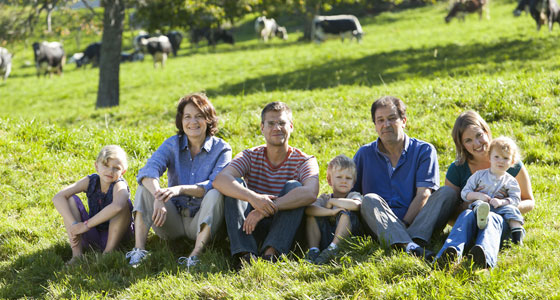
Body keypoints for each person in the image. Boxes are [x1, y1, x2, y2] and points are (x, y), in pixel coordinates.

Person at [125, 93, 232, 268]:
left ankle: (194, 256)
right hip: (171, 218)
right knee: (145, 188)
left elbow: (214, 183)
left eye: (199, 116)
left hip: (202, 220)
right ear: (181, 121)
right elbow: (148, 170)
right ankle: (139, 250)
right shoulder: (172, 144)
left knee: (216, 193)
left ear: (209, 120)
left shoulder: (222, 149)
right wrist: (158, 197)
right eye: (187, 117)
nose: (193, 122)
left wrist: (179, 189)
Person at [213, 101, 319, 268]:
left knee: (295, 187)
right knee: (236, 185)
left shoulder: (305, 160)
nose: (277, 128)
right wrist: (254, 198)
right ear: (262, 128)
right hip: (250, 225)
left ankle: (271, 253)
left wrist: (267, 208)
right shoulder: (250, 155)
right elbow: (220, 180)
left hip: (286, 227)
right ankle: (245, 255)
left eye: (282, 123)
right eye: (271, 123)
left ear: (290, 126)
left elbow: (311, 193)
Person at [355, 96, 458, 261]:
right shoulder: (363, 154)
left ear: (404, 121)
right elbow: (352, 194)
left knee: (447, 193)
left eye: (391, 118)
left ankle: (405, 243)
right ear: (375, 125)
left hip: (417, 224)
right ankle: (413, 246)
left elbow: (424, 194)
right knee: (369, 199)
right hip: (380, 224)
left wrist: (403, 225)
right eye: (380, 120)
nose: (386, 124)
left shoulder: (424, 150)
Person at [435, 110, 535, 268]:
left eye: (479, 135)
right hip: (470, 220)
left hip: (501, 221)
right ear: (462, 145)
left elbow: (529, 201)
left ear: (486, 131)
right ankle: (449, 253)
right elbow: (450, 212)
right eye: (468, 140)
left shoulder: (508, 162)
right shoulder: (458, 169)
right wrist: (473, 204)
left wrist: (503, 205)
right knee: (467, 215)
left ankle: (484, 257)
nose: (476, 143)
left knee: (493, 219)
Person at [52, 145, 133, 264]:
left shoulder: (119, 185)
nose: (110, 171)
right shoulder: (92, 181)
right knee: (69, 199)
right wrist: (75, 225)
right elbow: (58, 197)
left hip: (115, 236)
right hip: (92, 234)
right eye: (106, 165)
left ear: (123, 172)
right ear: (96, 166)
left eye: (116, 168)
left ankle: (108, 253)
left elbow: (117, 206)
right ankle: (77, 255)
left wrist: (86, 225)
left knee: (122, 205)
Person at [462, 137, 524, 244]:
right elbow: (464, 193)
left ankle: (517, 236)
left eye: (505, 158)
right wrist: (478, 195)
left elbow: (515, 199)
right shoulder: (479, 175)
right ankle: (480, 218)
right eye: (496, 157)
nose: (501, 161)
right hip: (481, 205)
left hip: (500, 210)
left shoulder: (511, 181)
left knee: (512, 210)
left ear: (512, 161)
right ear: (489, 157)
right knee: (477, 204)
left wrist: (502, 202)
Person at [304, 154, 362, 265]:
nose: (344, 181)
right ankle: (314, 250)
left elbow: (356, 205)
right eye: (339, 177)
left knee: (346, 212)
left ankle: (333, 248)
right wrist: (330, 211)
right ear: (329, 181)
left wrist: (333, 202)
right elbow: (309, 210)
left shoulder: (353, 195)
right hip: (326, 236)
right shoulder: (325, 198)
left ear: (353, 182)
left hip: (347, 238)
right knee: (312, 216)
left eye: (348, 178)